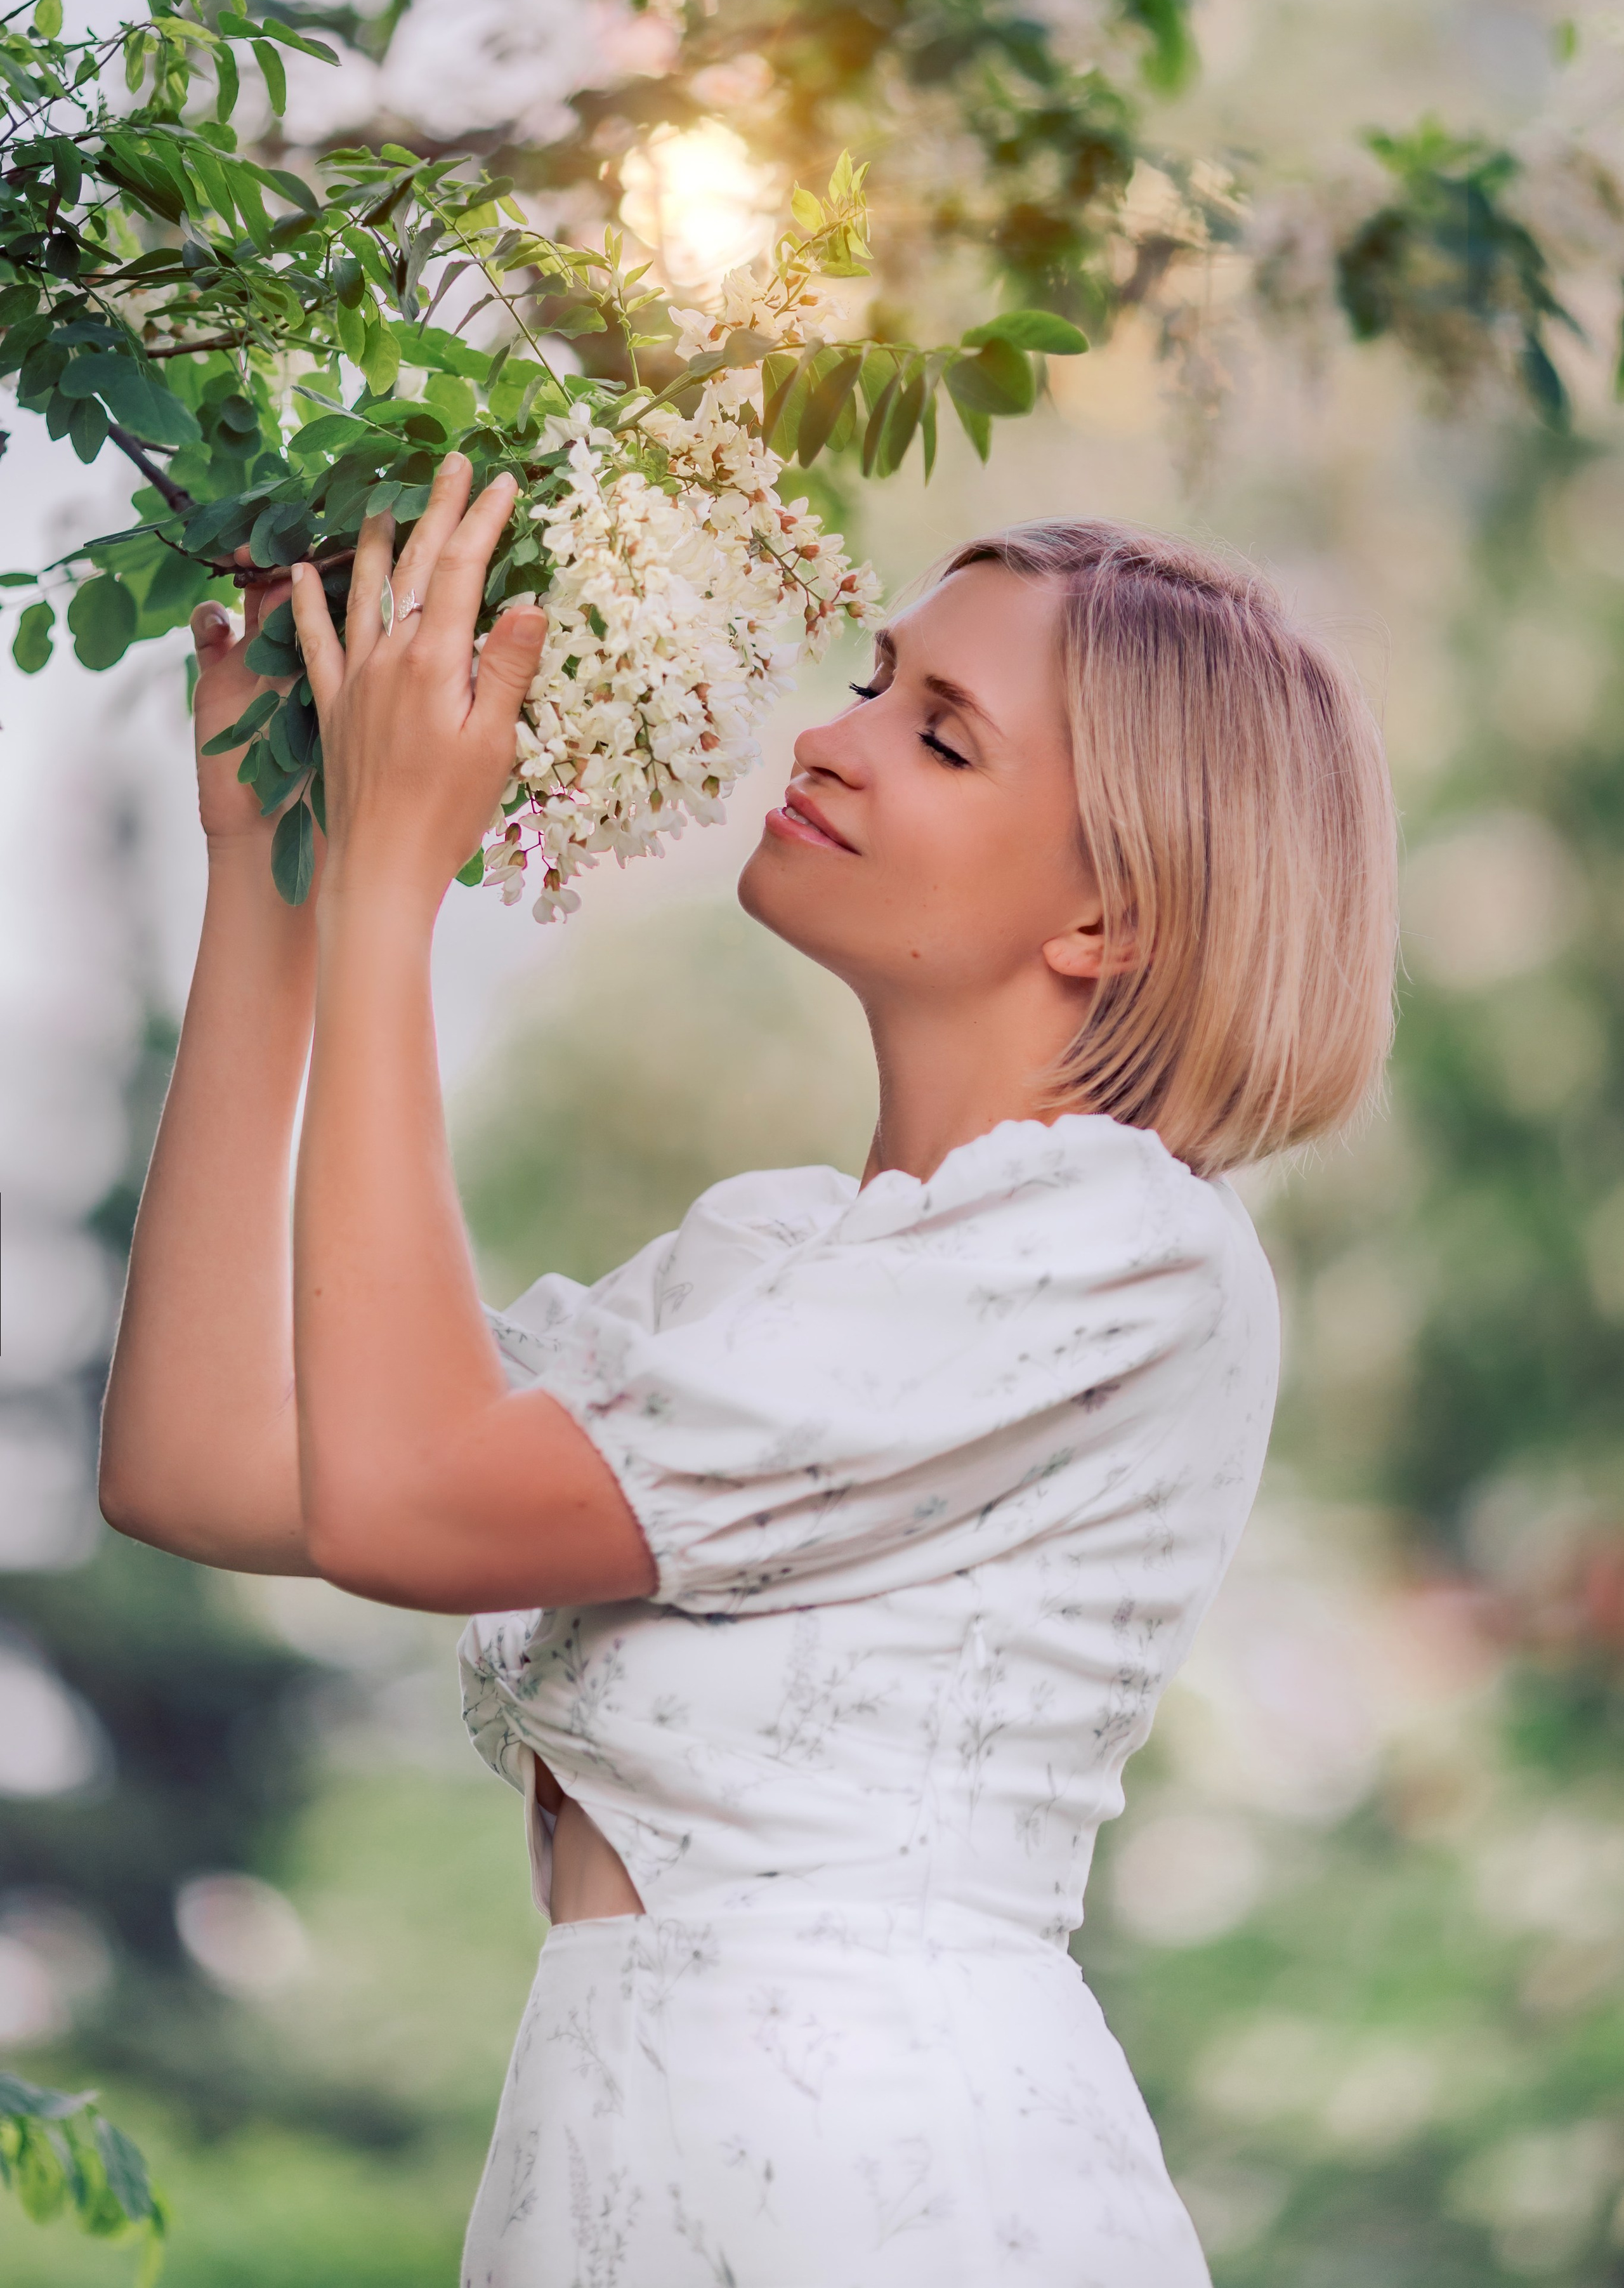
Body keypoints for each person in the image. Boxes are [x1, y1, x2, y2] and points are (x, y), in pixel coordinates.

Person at [99, 453, 1397, 2287]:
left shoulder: (1121, 1252)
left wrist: (401, 885)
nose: (831, 741)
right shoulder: (770, 1266)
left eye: (943, 738)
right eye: (872, 683)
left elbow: (407, 1501)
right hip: (619, 2164)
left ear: (1115, 920)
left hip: (896, 2197)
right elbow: (202, 1459)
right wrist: (280, 864)